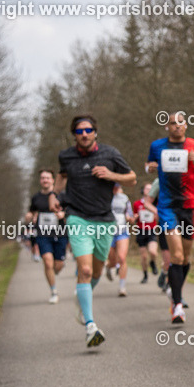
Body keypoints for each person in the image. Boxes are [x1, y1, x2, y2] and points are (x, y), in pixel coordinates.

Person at [52, 114, 136, 348]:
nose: (84, 134)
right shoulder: (66, 156)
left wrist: (111, 175)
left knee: (98, 272)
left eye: (88, 130)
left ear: (95, 132)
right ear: (75, 135)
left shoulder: (110, 154)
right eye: (79, 131)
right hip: (77, 218)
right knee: (85, 270)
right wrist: (54, 195)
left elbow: (132, 178)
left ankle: (82, 300)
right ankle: (90, 325)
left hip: (105, 221)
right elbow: (61, 175)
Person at [145, 112, 194, 323]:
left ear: (186, 125)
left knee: (185, 258)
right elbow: (147, 166)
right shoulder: (157, 146)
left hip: (190, 207)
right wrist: (150, 167)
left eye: (180, 123)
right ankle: (177, 305)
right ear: (167, 126)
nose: (176, 126)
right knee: (176, 256)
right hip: (167, 207)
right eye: (172, 123)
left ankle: (176, 292)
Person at [25, 168, 68, 304]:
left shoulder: (61, 196)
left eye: (47, 178)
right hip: (43, 234)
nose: (45, 180)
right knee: (48, 262)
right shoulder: (36, 197)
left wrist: (63, 214)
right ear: (40, 180)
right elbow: (31, 212)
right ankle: (54, 291)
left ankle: (59, 265)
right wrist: (29, 216)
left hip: (60, 233)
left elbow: (70, 210)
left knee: (58, 265)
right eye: (43, 178)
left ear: (53, 180)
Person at [104, 183, 133, 297]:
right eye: (113, 186)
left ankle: (122, 287)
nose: (115, 188)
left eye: (117, 186)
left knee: (121, 258)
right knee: (113, 261)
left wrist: (130, 218)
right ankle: (109, 267)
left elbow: (129, 213)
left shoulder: (124, 198)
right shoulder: (104, 196)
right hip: (107, 232)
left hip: (122, 231)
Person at [133, 182, 161, 283]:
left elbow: (160, 216)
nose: (149, 190)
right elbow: (133, 218)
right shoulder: (137, 204)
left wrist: (156, 217)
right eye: (147, 188)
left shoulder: (156, 204)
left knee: (153, 252)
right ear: (143, 191)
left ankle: (153, 262)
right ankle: (145, 275)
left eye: (151, 188)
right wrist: (135, 218)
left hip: (152, 230)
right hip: (141, 230)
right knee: (143, 256)